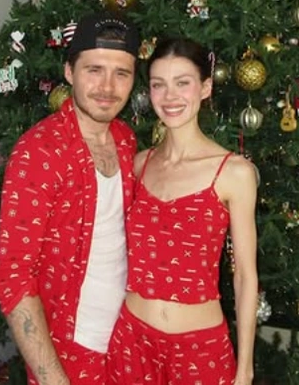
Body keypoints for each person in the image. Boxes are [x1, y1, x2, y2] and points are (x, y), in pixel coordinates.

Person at [0, 14, 140, 385]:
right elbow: (13, 278)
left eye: (121, 73)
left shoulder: (126, 140)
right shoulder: (38, 152)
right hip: (70, 352)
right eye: (94, 70)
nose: (107, 87)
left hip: (130, 346)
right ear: (69, 72)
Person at [107, 37, 259, 385]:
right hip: (132, 342)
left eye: (182, 83)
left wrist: (245, 369)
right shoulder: (139, 165)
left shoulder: (234, 173)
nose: (170, 96)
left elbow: (245, 276)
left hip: (199, 350)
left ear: (205, 88)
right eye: (159, 84)